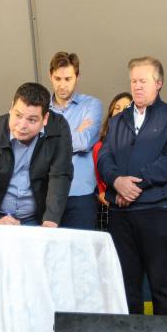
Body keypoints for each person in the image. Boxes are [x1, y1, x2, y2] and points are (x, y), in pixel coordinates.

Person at [97, 57, 167, 316]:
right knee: (125, 288)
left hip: (158, 213)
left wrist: (133, 185)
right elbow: (104, 158)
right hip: (121, 217)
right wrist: (117, 182)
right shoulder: (117, 121)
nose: (137, 87)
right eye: (133, 81)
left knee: (164, 287)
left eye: (144, 81)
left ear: (158, 83)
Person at [0, 82, 73, 226]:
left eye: (31, 120)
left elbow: (60, 176)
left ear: (45, 118)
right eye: (18, 115)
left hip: (36, 218)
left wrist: (50, 220)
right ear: (11, 107)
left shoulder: (58, 128)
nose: (22, 125)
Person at [47, 52, 104, 229]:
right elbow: (35, 145)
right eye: (57, 78)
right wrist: (75, 132)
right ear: (50, 76)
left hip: (81, 194)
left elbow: (86, 142)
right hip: (47, 194)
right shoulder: (40, 108)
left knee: (81, 253)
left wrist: (52, 140)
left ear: (78, 77)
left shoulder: (92, 105)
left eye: (68, 79)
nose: (62, 85)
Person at [94, 93, 132, 230]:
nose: (121, 111)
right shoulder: (99, 146)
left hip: (132, 204)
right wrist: (105, 197)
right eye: (117, 107)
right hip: (106, 205)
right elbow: (93, 177)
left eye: (126, 107)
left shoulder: (141, 145)